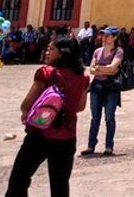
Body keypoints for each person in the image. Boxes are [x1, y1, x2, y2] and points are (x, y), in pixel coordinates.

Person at [5, 36, 89, 197]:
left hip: (40, 133)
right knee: (60, 184)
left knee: (19, 178)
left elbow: (26, 104)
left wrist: (28, 113)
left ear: (62, 53)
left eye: (51, 49)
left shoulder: (46, 73)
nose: (47, 52)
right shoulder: (82, 77)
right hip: (67, 135)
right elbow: (80, 106)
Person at [82, 26, 123, 157]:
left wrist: (99, 68)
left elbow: (113, 68)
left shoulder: (118, 51)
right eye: (104, 35)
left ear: (114, 37)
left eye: (108, 35)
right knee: (95, 118)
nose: (104, 37)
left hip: (111, 88)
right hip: (96, 86)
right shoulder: (97, 51)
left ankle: (109, 146)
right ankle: (91, 145)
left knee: (109, 118)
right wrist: (106, 69)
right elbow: (91, 70)